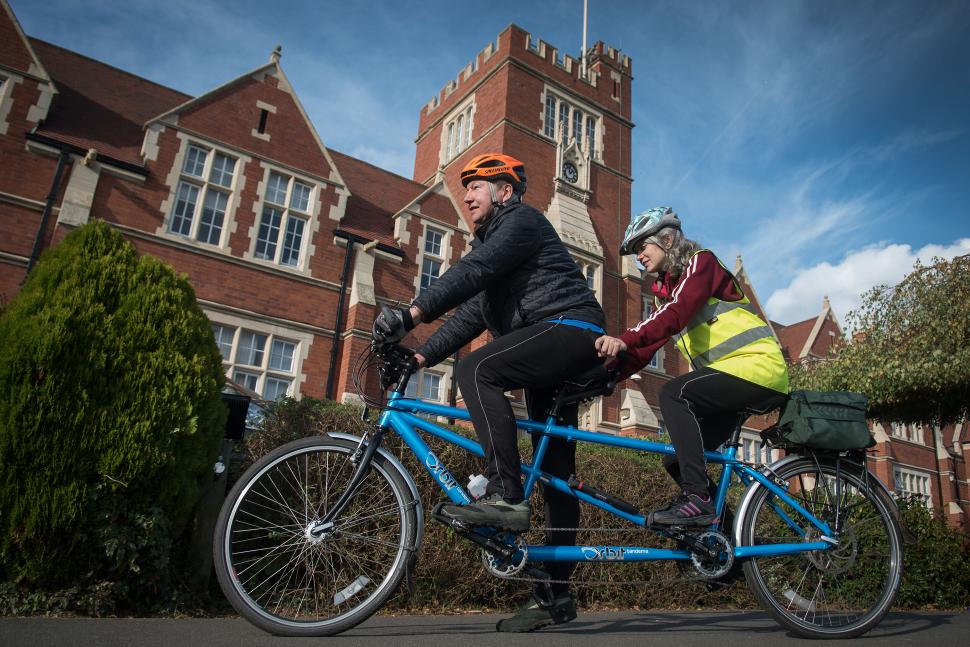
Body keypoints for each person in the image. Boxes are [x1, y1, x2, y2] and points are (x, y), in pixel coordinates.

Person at [372, 153, 606, 632]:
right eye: (465, 187)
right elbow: (468, 315)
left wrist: (410, 313)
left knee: (478, 370)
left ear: (504, 191)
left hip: (569, 327)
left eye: (476, 185)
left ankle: (503, 494)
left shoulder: (521, 222)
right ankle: (554, 596)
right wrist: (418, 357)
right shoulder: (500, 250)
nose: (467, 194)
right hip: (551, 347)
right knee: (557, 476)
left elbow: (472, 272)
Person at [595, 207, 789, 526]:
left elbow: (677, 313)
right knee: (676, 461)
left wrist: (625, 337)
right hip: (730, 379)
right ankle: (722, 543)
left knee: (674, 393)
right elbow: (647, 349)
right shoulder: (666, 296)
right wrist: (602, 378)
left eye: (641, 246)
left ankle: (697, 499)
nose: (638, 256)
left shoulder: (702, 262)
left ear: (668, 239)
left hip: (758, 369)